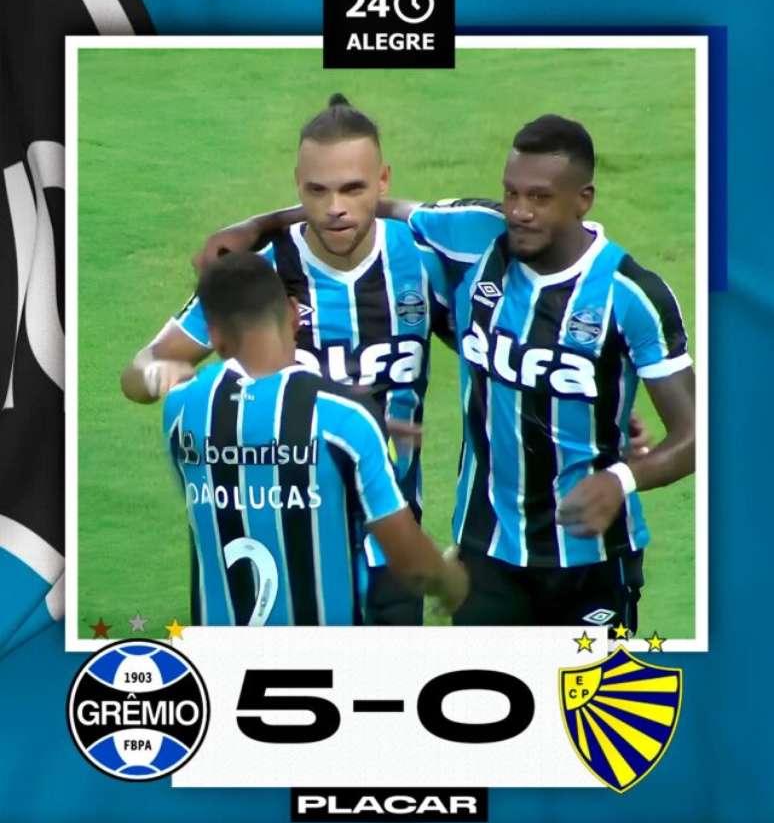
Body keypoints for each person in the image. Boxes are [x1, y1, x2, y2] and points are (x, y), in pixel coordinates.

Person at [199, 113, 693, 631]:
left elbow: (696, 435)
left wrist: (621, 478)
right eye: (511, 193)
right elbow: (367, 204)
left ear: (583, 199)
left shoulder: (631, 295)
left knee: (587, 687)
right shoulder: (475, 234)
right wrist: (259, 226)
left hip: (593, 559)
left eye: (540, 198)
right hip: (485, 551)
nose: (519, 212)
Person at [122, 94, 454, 625]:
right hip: (285, 541)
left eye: (353, 188)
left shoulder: (422, 261)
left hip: (391, 541)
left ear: (383, 181)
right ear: (298, 185)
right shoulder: (261, 272)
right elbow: (138, 375)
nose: (334, 207)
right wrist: (188, 382)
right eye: (317, 191)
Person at [162, 252, 468, 626]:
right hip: (323, 648)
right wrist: (453, 582)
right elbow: (412, 564)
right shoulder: (344, 419)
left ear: (214, 335)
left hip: (218, 646)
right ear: (294, 313)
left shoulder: (180, 408)